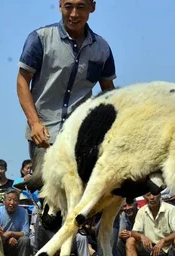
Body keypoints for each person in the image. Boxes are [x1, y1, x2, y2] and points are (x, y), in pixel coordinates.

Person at [17, 0, 115, 171]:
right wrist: (34, 123)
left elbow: (109, 91)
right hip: (45, 135)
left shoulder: (102, 48)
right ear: (60, 5)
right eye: (68, 6)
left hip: (82, 135)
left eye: (81, 7)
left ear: (92, 7)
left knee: (80, 192)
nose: (74, 14)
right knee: (47, 190)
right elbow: (22, 80)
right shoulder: (41, 38)